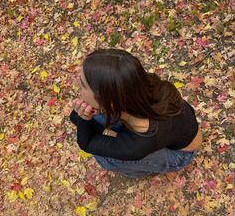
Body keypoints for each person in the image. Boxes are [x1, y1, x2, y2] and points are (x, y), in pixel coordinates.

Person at [69, 49, 202, 178]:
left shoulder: (140, 142)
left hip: (179, 155)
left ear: (109, 102)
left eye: (82, 84)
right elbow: (75, 118)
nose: (76, 83)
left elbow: (87, 143)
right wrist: (85, 117)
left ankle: (141, 171)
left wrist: (85, 119)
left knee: (105, 159)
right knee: (97, 122)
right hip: (174, 132)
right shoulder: (134, 83)